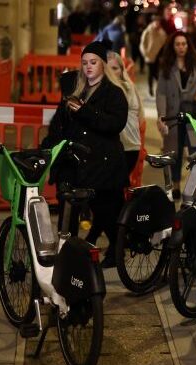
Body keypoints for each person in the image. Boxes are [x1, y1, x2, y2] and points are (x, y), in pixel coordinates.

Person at [42, 40, 129, 268]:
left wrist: (85, 112)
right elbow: (58, 124)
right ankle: (67, 257)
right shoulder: (74, 89)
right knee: (67, 212)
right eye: (84, 63)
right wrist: (48, 148)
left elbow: (115, 124)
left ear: (103, 65)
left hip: (102, 164)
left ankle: (116, 251)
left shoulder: (114, 93)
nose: (88, 67)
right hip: (73, 161)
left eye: (93, 62)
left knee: (106, 213)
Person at [156, 32, 196, 200]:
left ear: (188, 45)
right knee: (174, 153)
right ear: (173, 47)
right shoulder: (166, 65)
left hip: (194, 117)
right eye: (177, 44)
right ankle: (175, 186)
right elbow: (161, 93)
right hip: (174, 117)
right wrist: (161, 115)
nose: (181, 47)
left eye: (184, 44)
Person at [107, 51, 143, 175]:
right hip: (115, 147)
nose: (111, 72)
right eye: (107, 69)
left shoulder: (124, 88)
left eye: (115, 68)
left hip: (127, 148)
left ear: (122, 71)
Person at [140, 15, 168, 96]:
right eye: (156, 22)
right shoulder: (148, 31)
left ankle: (160, 88)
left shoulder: (162, 33)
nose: (157, 24)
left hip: (158, 57)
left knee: (156, 73)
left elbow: (165, 44)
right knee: (152, 73)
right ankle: (151, 89)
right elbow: (142, 43)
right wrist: (145, 53)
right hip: (150, 56)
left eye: (158, 22)